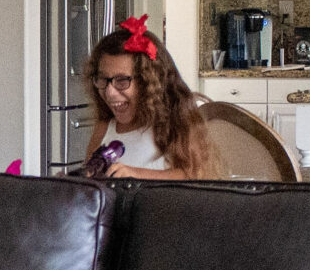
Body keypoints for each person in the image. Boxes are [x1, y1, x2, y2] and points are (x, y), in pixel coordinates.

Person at [81, 16, 218, 179]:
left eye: (122, 80)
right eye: (103, 79)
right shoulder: (106, 127)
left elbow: (196, 175)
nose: (110, 92)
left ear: (149, 82)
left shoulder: (176, 121)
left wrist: (135, 175)